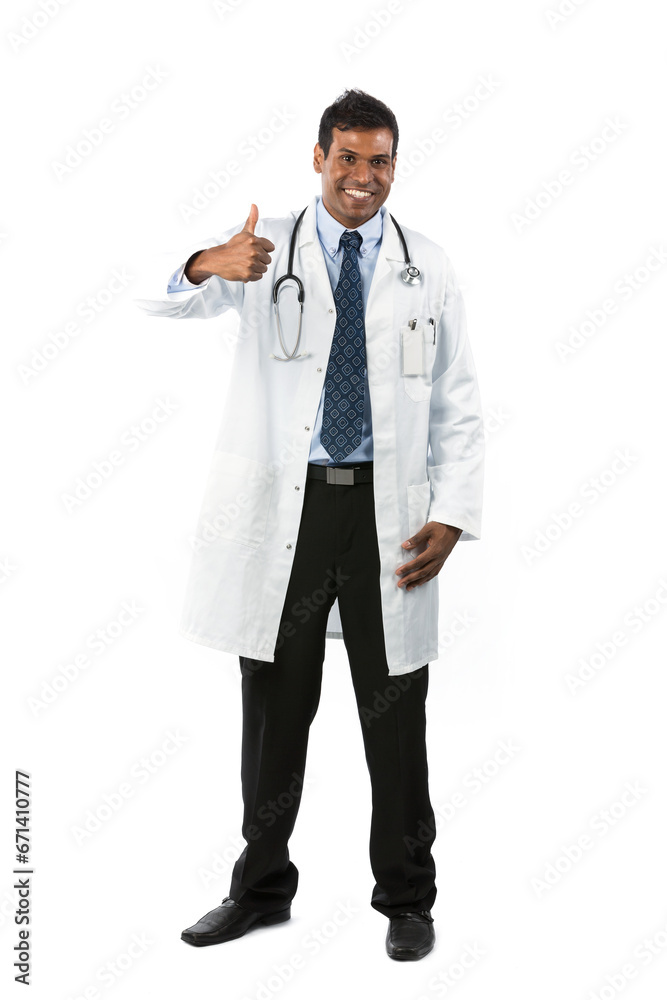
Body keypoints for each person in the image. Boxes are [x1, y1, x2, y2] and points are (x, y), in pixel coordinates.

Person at [134, 88, 484, 961]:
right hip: (287, 510)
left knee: (394, 711)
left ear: (394, 165)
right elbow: (154, 302)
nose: (363, 176)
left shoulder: (426, 264)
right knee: (273, 706)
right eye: (347, 158)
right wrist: (205, 262)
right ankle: (259, 889)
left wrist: (450, 513)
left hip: (388, 514)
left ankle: (407, 897)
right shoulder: (262, 252)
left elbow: (457, 400)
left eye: (380, 160)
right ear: (318, 157)